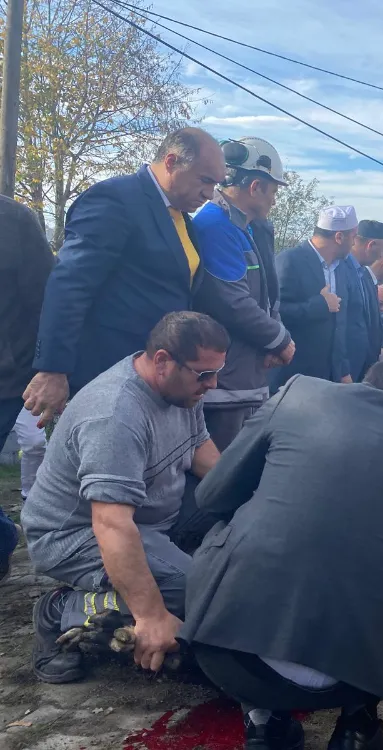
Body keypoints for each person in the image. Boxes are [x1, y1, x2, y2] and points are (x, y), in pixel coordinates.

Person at [180, 358, 383, 750]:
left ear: (364, 385)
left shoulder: (297, 393)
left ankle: (264, 721)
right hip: (356, 677)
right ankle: (358, 727)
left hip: (233, 659)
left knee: (227, 530)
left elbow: (211, 496)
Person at [21, 312, 227, 684]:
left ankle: (165, 571)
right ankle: (61, 609)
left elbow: (200, 449)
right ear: (163, 360)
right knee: (196, 592)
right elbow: (111, 524)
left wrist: (254, 501)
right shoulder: (114, 415)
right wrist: (150, 616)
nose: (212, 384)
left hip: (148, 513)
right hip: (78, 536)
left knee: (235, 518)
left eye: (216, 373)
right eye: (203, 375)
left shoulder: (184, 390)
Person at [24, 128, 227, 426]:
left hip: (153, 382)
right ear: (171, 162)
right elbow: (70, 284)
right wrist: (54, 369)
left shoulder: (182, 219)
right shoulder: (116, 199)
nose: (209, 194)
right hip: (105, 380)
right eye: (205, 180)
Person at [192, 137, 294, 451]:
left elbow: (263, 297)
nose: (274, 201)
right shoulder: (215, 225)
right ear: (255, 187)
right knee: (218, 481)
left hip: (242, 379)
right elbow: (232, 302)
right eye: (273, 191)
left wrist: (271, 338)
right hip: (224, 387)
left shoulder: (243, 228)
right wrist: (281, 340)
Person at [0, 195, 54, 578]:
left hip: (6, 376)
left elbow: (46, 300)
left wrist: (49, 367)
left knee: (35, 444)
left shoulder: (16, 220)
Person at [271, 206, 350, 388]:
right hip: (293, 377)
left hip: (328, 377)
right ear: (339, 237)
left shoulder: (340, 269)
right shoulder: (290, 260)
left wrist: (343, 369)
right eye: (352, 237)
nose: (353, 244)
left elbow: (339, 325)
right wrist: (320, 305)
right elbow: (275, 312)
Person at [342, 220, 383, 383]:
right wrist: (342, 369)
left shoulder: (366, 276)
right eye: (382, 250)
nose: (382, 256)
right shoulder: (340, 270)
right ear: (371, 245)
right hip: (346, 369)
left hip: (364, 369)